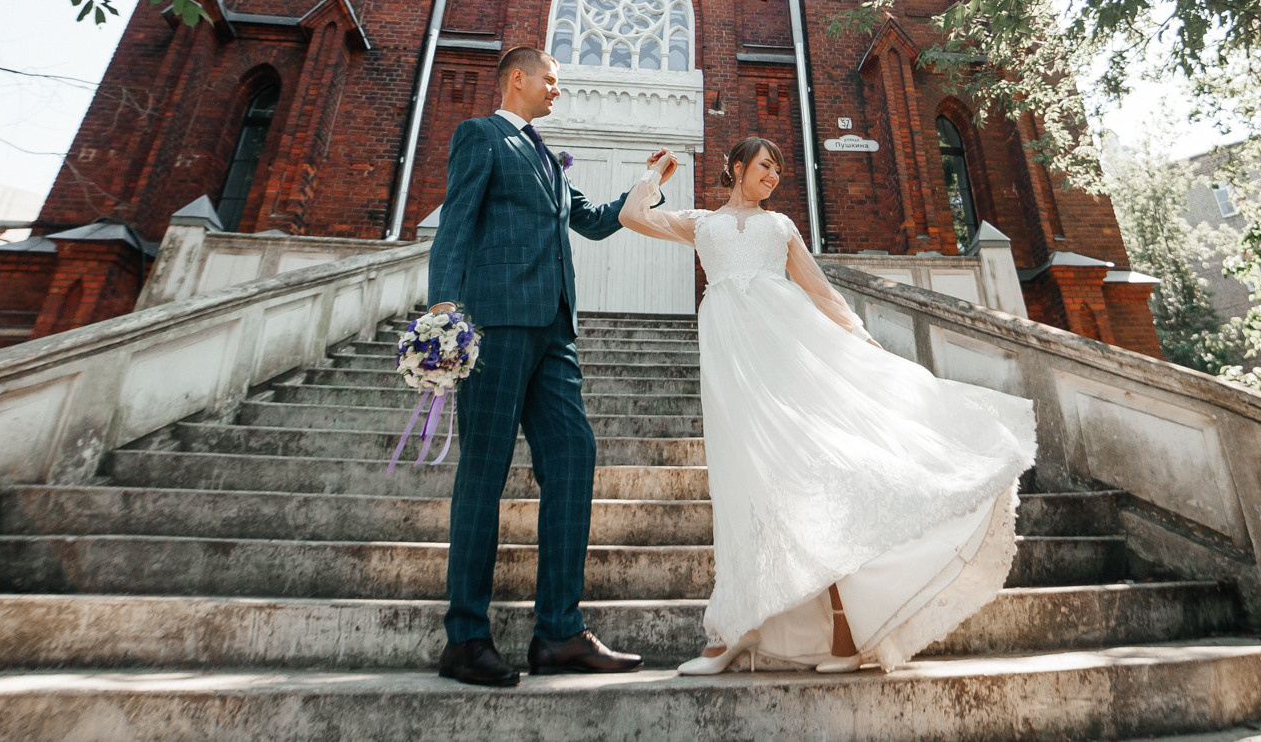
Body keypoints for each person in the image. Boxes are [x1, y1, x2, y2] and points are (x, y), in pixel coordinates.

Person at [619, 135, 1037, 674]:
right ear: (738, 168)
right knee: (740, 484)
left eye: (778, 169)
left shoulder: (781, 226)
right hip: (732, 368)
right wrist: (655, 175)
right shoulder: (701, 223)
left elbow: (819, 291)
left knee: (818, 476)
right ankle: (730, 634)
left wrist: (861, 338)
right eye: (765, 166)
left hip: (789, 359)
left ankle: (845, 636)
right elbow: (632, 215)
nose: (773, 176)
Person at [428, 45, 673, 687]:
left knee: (572, 455)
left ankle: (560, 632)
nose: (558, 89)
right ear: (518, 78)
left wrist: (647, 186)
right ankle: (465, 638)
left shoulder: (549, 158)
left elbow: (592, 222)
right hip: (497, 321)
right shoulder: (481, 136)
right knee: (484, 470)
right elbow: (456, 223)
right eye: (551, 79)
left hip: (555, 331)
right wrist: (444, 310)